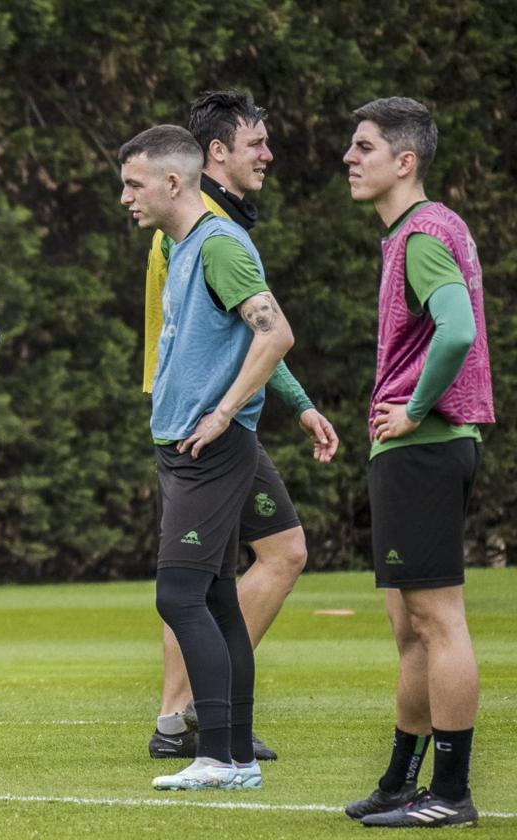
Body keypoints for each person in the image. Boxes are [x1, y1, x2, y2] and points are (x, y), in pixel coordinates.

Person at [143, 91, 339, 763]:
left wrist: (280, 405)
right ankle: (192, 721)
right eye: (257, 142)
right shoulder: (190, 231)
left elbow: (264, 333)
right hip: (193, 425)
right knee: (206, 586)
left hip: (209, 429)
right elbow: (230, 337)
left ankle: (206, 730)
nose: (269, 154)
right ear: (214, 155)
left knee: (207, 583)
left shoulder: (215, 235)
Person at [119, 124, 294, 790]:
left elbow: (276, 332)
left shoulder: (219, 245)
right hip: (183, 448)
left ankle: (218, 756)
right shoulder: (182, 244)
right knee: (219, 599)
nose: (126, 198)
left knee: (178, 593)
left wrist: (224, 412)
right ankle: (236, 760)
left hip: (210, 451)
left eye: (134, 184)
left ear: (172, 182)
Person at [341, 97, 491, 829]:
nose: (349, 157)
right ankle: (402, 780)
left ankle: (451, 793)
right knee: (410, 628)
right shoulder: (418, 232)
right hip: (414, 451)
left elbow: (456, 331)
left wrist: (413, 407)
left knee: (438, 621)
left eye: (364, 147)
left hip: (423, 448)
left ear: (406, 161)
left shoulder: (424, 233)